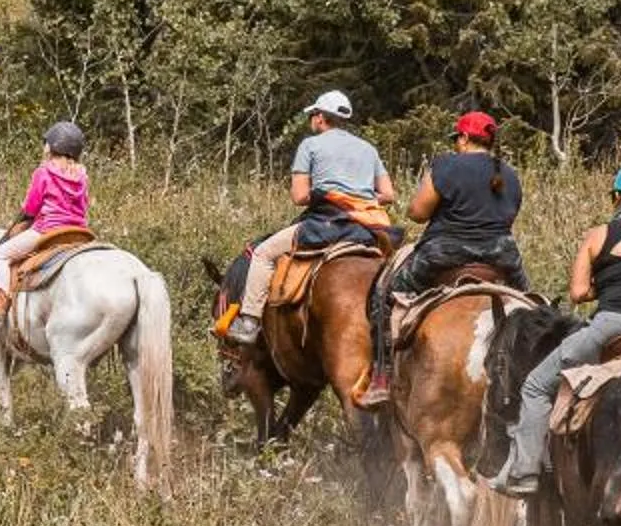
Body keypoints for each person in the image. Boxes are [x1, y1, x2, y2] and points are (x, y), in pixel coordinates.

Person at [488, 163, 621, 496]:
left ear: (617, 197)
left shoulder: (598, 236)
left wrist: (611, 283)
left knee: (535, 386)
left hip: (614, 327)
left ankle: (525, 471)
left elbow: (577, 292)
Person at [359, 110, 529, 405]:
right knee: (534, 308)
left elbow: (418, 212)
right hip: (501, 256)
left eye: (457, 139)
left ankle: (382, 375)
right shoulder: (509, 174)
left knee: (385, 295)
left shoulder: (446, 165)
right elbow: (509, 215)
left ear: (464, 138)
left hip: (444, 252)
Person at [223, 91, 397, 344]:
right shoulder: (368, 149)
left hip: (325, 225)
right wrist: (359, 198)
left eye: (313, 115)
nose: (312, 120)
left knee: (262, 254)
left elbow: (299, 196)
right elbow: (388, 194)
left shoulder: (310, 145)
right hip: (367, 230)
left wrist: (330, 194)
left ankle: (249, 321)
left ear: (320, 118)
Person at [0, 121, 93, 329]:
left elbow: (31, 208)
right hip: (78, 232)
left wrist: (24, 214)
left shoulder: (43, 173)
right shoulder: (82, 175)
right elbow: (84, 205)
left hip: (48, 230)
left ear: (53, 146)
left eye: (46, 142)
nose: (44, 146)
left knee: (0, 255)